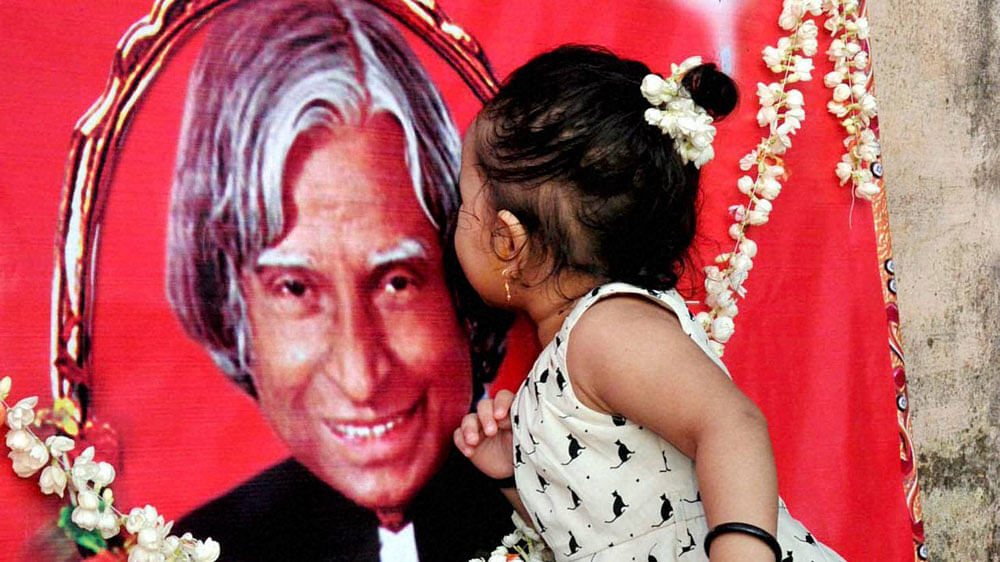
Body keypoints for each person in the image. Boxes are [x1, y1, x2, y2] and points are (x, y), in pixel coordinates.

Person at [452, 45, 847, 561]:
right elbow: (604, 532)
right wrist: (520, 473)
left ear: (509, 242)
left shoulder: (607, 330)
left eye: (463, 202)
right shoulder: (565, 362)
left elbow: (729, 424)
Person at [165, 0, 512, 559]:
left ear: (465, 291)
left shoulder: (576, 515)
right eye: (296, 289)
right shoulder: (196, 550)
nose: (360, 377)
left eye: (396, 282)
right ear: (234, 310)